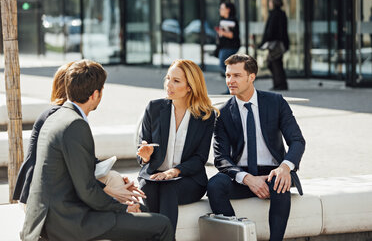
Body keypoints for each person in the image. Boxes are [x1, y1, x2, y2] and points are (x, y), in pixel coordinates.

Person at [21, 60, 173, 241]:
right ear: (95, 94)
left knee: (144, 213)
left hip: (51, 217)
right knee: (162, 224)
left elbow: (75, 177)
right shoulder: (75, 124)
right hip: (69, 222)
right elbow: (86, 190)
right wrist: (122, 207)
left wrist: (115, 195)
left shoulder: (56, 117)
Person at [13, 62, 144, 206]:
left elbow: (83, 162)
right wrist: (109, 190)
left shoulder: (66, 115)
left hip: (50, 189)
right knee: (114, 187)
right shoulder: (61, 118)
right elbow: (73, 174)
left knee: (114, 179)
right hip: (41, 197)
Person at [207, 54, 305, 241]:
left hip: (274, 172)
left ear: (251, 77)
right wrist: (248, 179)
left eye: (236, 75)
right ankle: (235, 235)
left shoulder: (275, 102)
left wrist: (285, 167)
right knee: (214, 186)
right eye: (228, 75)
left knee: (280, 183)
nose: (230, 81)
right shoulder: (224, 112)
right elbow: (220, 158)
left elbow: (297, 141)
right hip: (241, 175)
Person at [137, 59, 218, 234]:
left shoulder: (205, 115)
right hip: (154, 177)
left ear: (190, 86)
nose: (168, 85)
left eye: (176, 81)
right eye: (168, 78)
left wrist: (174, 172)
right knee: (149, 187)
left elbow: (200, 158)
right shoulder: (154, 108)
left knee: (168, 187)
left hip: (188, 180)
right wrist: (145, 156)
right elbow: (142, 151)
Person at [260, 0, 289, 91]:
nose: (269, 3)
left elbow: (271, 30)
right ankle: (279, 83)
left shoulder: (275, 14)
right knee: (275, 63)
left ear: (274, 3)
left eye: (271, 2)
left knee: (275, 63)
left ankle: (280, 84)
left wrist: (264, 41)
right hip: (279, 43)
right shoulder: (281, 14)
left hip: (275, 43)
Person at [216, 2, 240, 85]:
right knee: (227, 67)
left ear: (228, 10)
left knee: (225, 66)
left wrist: (221, 32)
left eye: (222, 9)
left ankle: (234, 83)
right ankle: (231, 86)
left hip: (229, 47)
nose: (220, 10)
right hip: (223, 46)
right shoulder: (223, 20)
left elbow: (233, 35)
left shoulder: (232, 21)